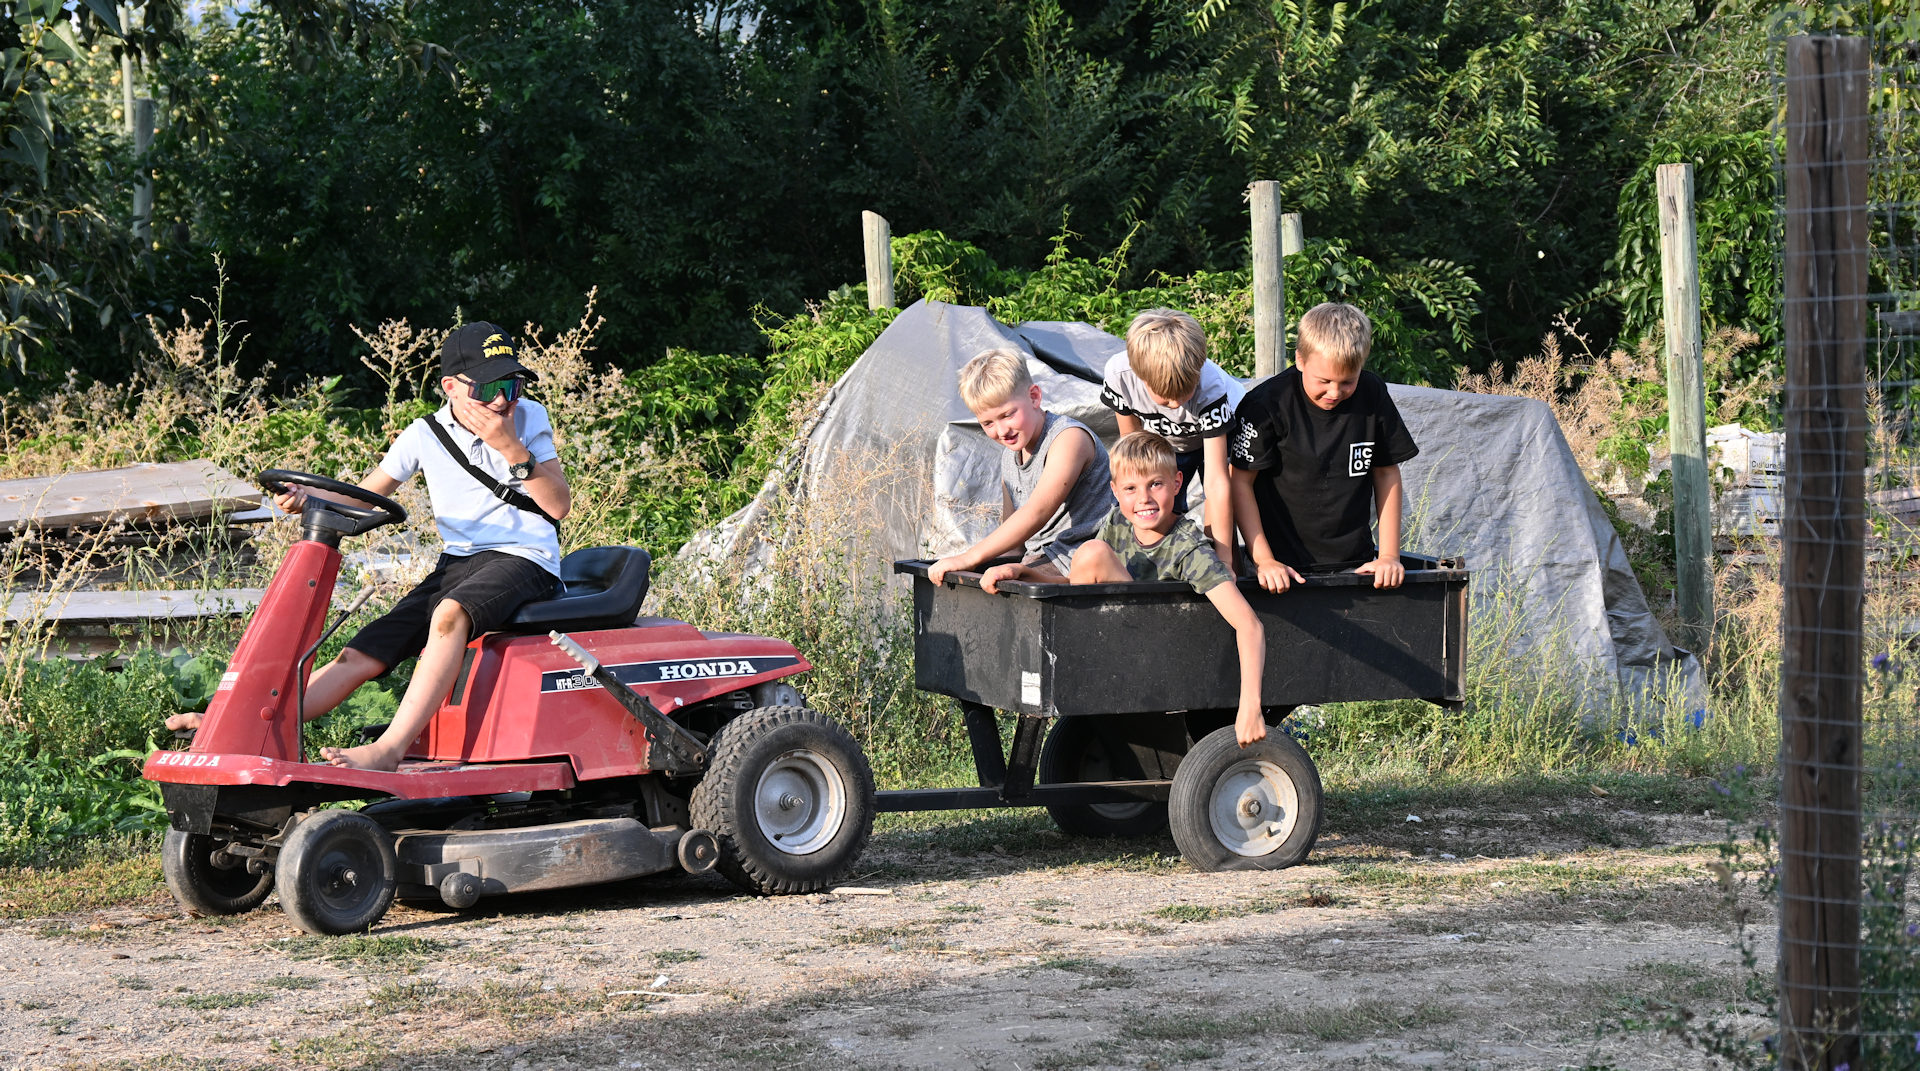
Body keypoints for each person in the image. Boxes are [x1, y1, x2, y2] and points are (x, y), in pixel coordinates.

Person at [165, 322, 571, 772]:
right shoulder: (425, 434)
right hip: (459, 561)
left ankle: (389, 749)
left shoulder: (528, 418)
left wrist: (511, 448)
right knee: (364, 650)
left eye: (511, 385)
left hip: (526, 558)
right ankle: (234, 723)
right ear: (451, 387)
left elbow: (558, 506)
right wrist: (306, 497)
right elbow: (365, 494)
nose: (502, 401)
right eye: (489, 388)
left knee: (449, 614)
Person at [986, 431, 1268, 747]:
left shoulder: (1187, 549)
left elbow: (1250, 625)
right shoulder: (1118, 523)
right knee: (1091, 554)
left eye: (1155, 484)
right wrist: (1026, 573)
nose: (1143, 498)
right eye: (1131, 489)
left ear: (1177, 483)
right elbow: (1085, 583)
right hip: (1120, 643)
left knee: (1092, 552)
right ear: (1115, 492)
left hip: (1161, 655)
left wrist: (1250, 706)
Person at [1228, 301, 1418, 593]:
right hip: (1280, 570)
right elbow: (1240, 481)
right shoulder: (1266, 404)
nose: (1334, 392)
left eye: (1348, 382)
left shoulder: (1372, 393)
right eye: (1324, 380)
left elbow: (1386, 473)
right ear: (1300, 360)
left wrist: (1389, 556)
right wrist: (1264, 560)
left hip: (1357, 566)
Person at [926, 348, 1114, 586]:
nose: (1002, 430)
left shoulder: (1068, 439)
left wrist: (970, 557)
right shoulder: (1010, 457)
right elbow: (1014, 543)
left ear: (1034, 397)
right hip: (1040, 560)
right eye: (987, 423)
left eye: (1008, 415)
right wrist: (986, 565)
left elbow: (1037, 512)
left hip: (1080, 563)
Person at [1099, 308, 1244, 565]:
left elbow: (1216, 483)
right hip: (1169, 441)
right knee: (1159, 508)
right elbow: (1133, 449)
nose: (1176, 404)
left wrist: (1223, 563)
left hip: (1224, 436)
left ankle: (1227, 569)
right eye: (1165, 398)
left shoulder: (1210, 388)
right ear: (1140, 376)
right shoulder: (1119, 375)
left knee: (1223, 516)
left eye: (1185, 393)